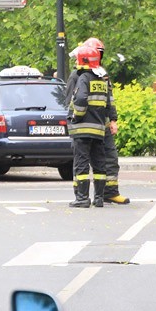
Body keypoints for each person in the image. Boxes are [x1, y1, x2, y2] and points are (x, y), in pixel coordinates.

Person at [65, 37, 129, 204]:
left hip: (101, 123)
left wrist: (113, 119)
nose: (99, 56)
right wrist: (75, 119)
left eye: (100, 53)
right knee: (82, 161)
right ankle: (81, 194)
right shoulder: (77, 75)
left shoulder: (101, 74)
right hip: (84, 124)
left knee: (108, 159)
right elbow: (72, 101)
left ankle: (109, 192)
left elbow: (109, 99)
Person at [67, 45, 110, 208]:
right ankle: (99, 198)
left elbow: (80, 100)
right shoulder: (102, 79)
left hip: (83, 128)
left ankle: (82, 198)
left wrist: (76, 116)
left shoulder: (84, 77)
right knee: (99, 163)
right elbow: (107, 103)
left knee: (82, 162)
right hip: (98, 129)